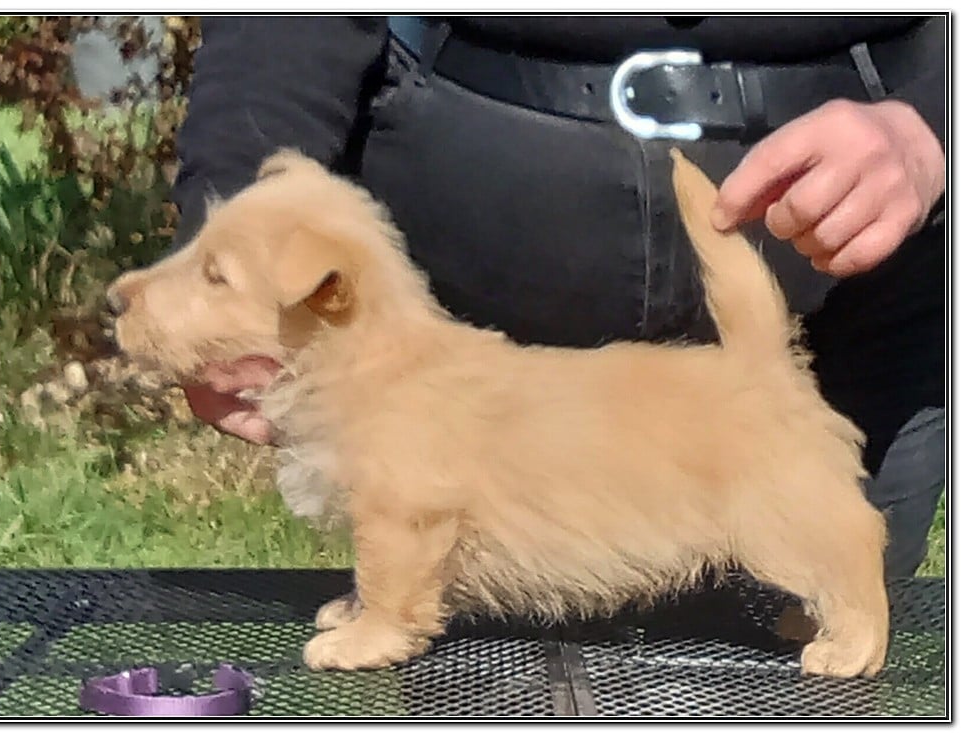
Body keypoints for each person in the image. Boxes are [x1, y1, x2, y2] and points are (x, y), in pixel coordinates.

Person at [167, 16, 946, 577]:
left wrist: (933, 126)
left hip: (860, 296)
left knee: (831, 647)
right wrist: (231, 242)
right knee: (477, 677)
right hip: (476, 292)